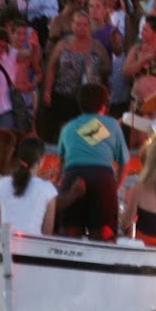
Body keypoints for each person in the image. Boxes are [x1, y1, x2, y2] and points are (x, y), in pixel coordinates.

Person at [53, 82, 127, 239]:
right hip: (103, 179)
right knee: (102, 238)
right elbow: (124, 162)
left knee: (70, 236)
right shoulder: (113, 125)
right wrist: (115, 187)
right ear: (104, 105)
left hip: (73, 177)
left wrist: (59, 188)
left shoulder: (68, 128)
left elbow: (61, 166)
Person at [0, 135, 60, 237]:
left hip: (5, 242)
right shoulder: (48, 189)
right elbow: (47, 233)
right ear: (41, 160)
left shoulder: (0, 184)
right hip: (34, 245)